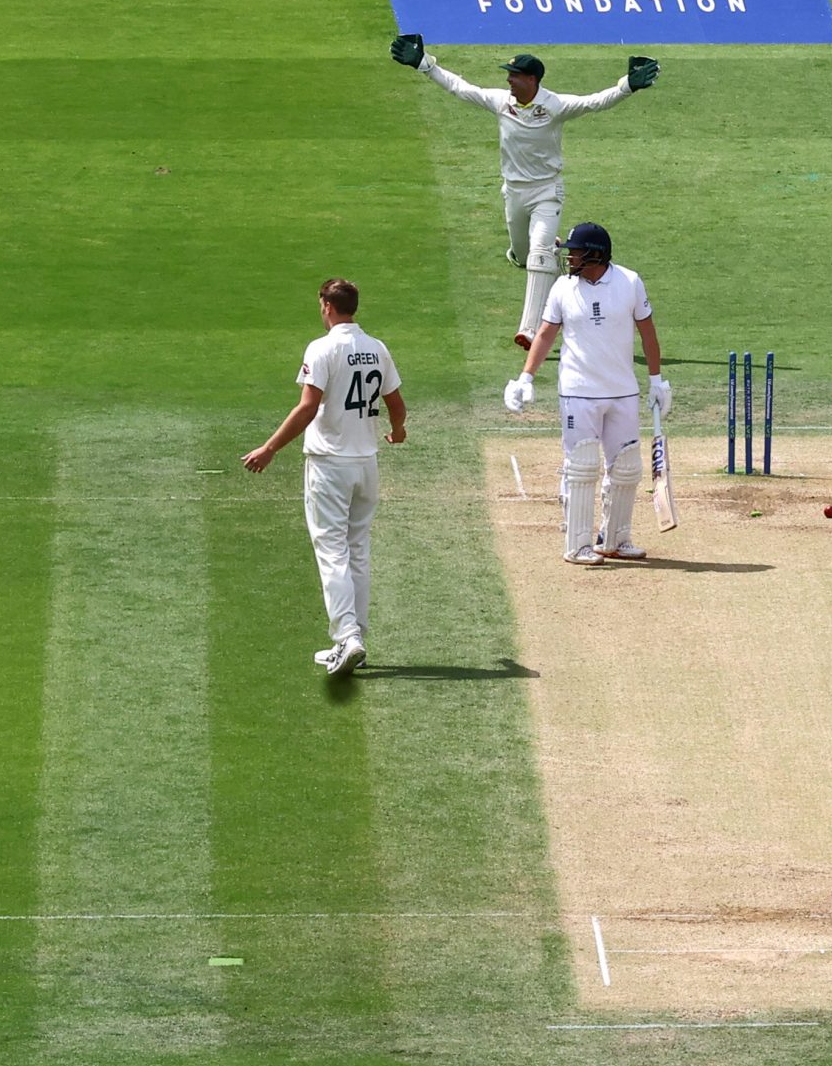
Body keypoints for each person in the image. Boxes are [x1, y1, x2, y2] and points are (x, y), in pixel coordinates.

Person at [390, 35, 656, 348]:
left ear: (532, 79)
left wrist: (627, 85)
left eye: (514, 76)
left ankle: (530, 330)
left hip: (546, 191)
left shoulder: (554, 106)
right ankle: (545, 254)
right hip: (514, 192)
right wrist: (424, 64)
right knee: (523, 255)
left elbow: (594, 102)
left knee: (538, 254)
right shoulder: (501, 102)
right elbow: (460, 88)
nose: (508, 80)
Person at [242, 278, 407, 675]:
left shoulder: (322, 348)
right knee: (357, 550)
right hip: (366, 463)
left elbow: (307, 408)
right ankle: (354, 637)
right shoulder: (377, 347)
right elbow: (396, 402)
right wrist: (398, 431)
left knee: (332, 551)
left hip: (330, 465)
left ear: (328, 307)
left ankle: (347, 637)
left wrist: (269, 448)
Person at [504, 222, 669, 565]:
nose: (571, 258)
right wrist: (525, 378)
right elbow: (545, 334)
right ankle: (577, 545)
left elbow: (648, 333)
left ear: (595, 254)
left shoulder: (629, 282)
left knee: (626, 468)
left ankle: (615, 539)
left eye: (576, 252)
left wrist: (657, 380)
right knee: (582, 467)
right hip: (578, 393)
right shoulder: (562, 288)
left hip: (623, 392)